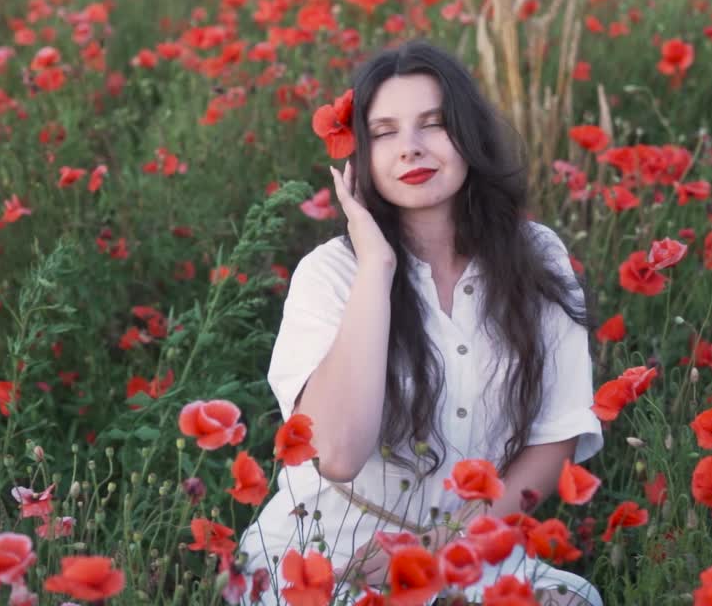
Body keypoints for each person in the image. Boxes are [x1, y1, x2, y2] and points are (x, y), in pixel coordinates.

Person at [238, 40, 604, 606]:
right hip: (328, 556)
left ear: (468, 136)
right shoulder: (331, 275)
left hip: (468, 550)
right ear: (360, 154)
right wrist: (377, 268)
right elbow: (335, 454)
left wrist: (448, 540)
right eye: (384, 132)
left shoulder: (537, 256)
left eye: (432, 124)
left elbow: (553, 436)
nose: (410, 149)